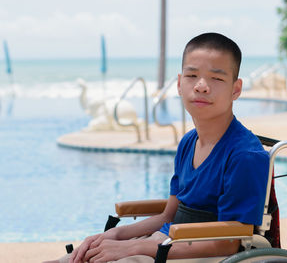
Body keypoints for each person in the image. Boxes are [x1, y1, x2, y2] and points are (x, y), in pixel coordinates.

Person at [45, 32, 270, 263]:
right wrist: (114, 234)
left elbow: (229, 241)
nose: (202, 86)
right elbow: (168, 215)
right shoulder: (187, 143)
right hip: (165, 242)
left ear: (236, 89)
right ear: (180, 84)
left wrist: (133, 249)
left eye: (217, 78)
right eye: (192, 75)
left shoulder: (245, 155)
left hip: (201, 253)